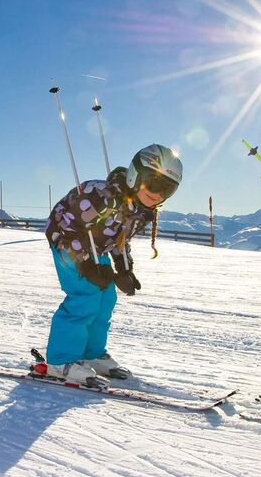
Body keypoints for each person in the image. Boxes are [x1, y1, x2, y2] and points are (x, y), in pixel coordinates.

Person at [42, 144, 183, 386]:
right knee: (85, 295)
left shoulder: (140, 210)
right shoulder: (98, 195)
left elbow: (120, 238)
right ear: (135, 175)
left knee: (107, 297)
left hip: (98, 250)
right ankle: (61, 360)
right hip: (67, 244)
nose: (158, 194)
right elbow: (65, 227)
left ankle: (92, 354)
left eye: (167, 189)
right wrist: (84, 263)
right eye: (154, 183)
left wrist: (124, 267)